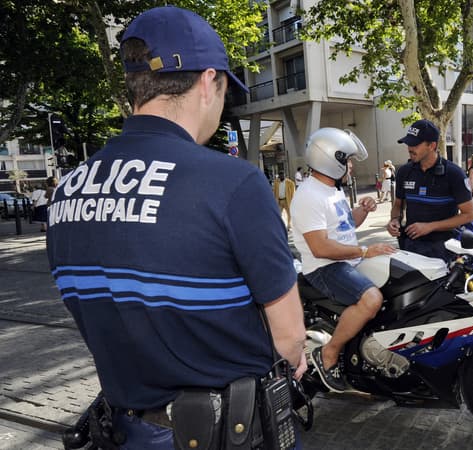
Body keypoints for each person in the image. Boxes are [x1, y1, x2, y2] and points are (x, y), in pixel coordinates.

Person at [46, 7, 306, 449]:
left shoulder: (67, 191)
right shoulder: (233, 182)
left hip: (127, 429)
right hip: (228, 433)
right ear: (208, 81)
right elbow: (290, 339)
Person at [291, 127, 396, 393]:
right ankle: (329, 352)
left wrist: (361, 210)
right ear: (330, 159)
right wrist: (363, 251)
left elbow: (346, 226)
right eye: (347, 160)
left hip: (346, 262)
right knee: (372, 299)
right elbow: (320, 247)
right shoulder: (308, 195)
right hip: (324, 268)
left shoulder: (332, 190)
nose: (350, 166)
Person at [387, 119, 473, 261]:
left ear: (432, 145)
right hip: (411, 247)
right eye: (408, 143)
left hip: (445, 249)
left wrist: (430, 227)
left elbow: (469, 215)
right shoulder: (404, 172)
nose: (410, 148)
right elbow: (398, 206)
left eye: (415, 144)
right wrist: (394, 220)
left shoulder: (454, 173)